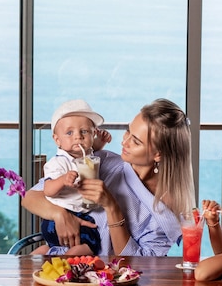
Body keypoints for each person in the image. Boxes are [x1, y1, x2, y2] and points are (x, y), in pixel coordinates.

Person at [22, 98, 195, 256]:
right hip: (66, 266)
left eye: (135, 141)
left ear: (159, 154)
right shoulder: (101, 161)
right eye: (128, 131)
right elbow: (30, 197)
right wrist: (60, 215)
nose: (124, 141)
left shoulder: (165, 209)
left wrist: (112, 207)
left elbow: (141, 263)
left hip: (113, 284)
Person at [34, 99, 112, 255]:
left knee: (51, 248)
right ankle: (67, 268)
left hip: (73, 216)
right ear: (57, 140)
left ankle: (46, 253)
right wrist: (62, 180)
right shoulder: (57, 163)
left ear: (93, 133)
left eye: (85, 131)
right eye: (70, 133)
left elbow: (88, 151)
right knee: (91, 244)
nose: (78, 137)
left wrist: (99, 144)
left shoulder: (88, 155)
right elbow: (48, 190)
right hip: (57, 221)